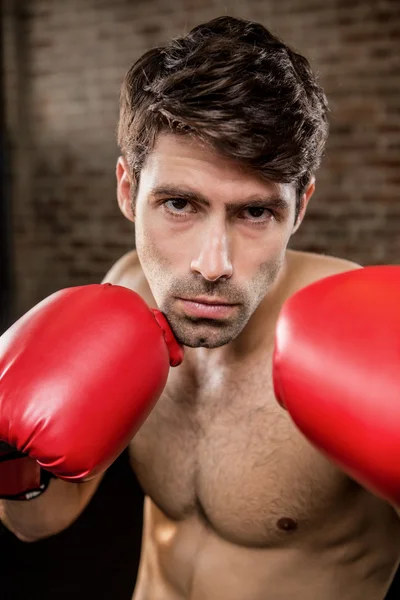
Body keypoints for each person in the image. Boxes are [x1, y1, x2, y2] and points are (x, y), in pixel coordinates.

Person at [1, 15, 399, 600]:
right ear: (127, 191)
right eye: (181, 204)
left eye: (256, 212)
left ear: (301, 206)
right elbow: (38, 521)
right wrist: (11, 455)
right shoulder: (126, 295)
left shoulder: (369, 337)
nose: (213, 264)